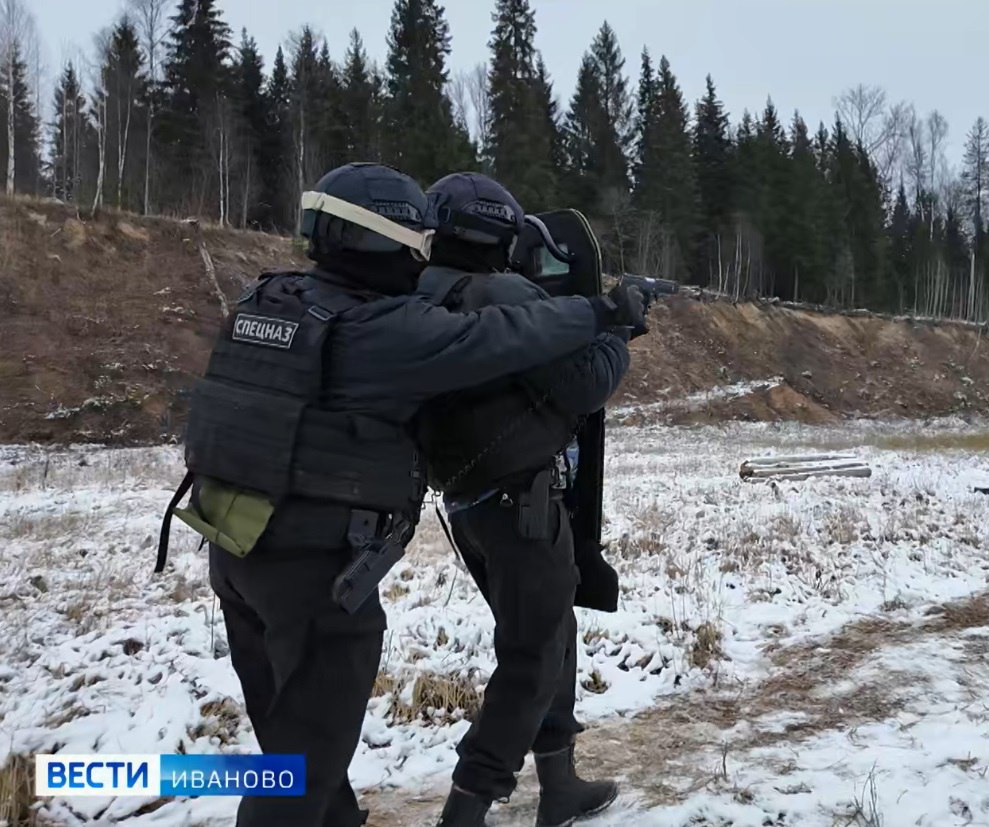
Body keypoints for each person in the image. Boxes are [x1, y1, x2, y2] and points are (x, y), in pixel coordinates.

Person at [161, 162, 648, 827]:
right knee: (294, 780)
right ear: (378, 242)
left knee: (295, 752)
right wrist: (606, 313)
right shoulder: (380, 330)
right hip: (314, 571)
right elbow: (506, 336)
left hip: (235, 543)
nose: (422, 260)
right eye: (412, 244)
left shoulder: (271, 299)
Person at [416, 172, 638, 827]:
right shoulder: (506, 294)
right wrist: (619, 327)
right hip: (521, 503)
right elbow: (587, 383)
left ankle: (560, 782)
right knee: (533, 654)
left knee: (550, 631)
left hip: (465, 502)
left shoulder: (420, 292)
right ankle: (467, 805)